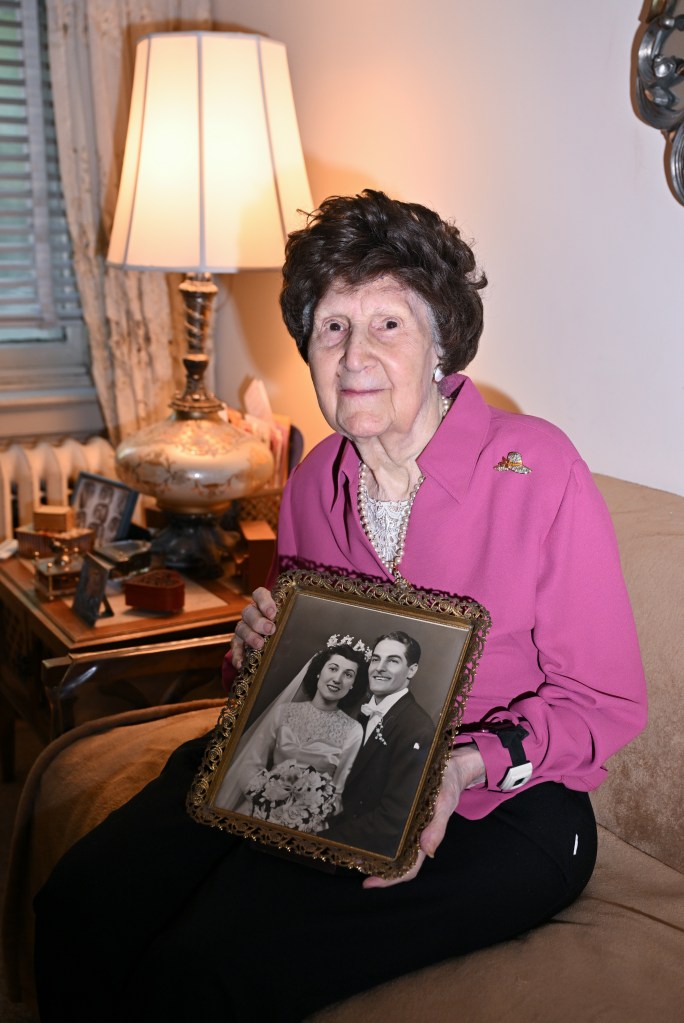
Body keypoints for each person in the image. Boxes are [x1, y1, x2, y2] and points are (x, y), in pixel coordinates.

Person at [34, 190, 647, 1023]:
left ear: (441, 344)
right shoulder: (317, 477)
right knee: (82, 900)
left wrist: (460, 766)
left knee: (206, 967)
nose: (356, 352)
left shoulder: (537, 469)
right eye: (332, 326)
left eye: (388, 323)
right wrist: (257, 654)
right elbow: (303, 671)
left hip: (506, 808)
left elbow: (604, 703)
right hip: (340, 776)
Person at [213, 636, 368, 831]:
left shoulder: (353, 730)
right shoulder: (283, 712)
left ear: (353, 684)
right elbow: (250, 765)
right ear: (319, 672)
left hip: (308, 823)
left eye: (348, 674)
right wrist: (268, 798)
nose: (337, 679)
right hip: (260, 808)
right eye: (333, 668)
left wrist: (308, 812)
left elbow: (339, 791)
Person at [325, 631, 434, 856]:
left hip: (353, 851)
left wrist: (319, 839)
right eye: (376, 659)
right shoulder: (359, 709)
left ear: (412, 670)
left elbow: (392, 820)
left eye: (392, 661)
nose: (379, 668)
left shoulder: (418, 728)